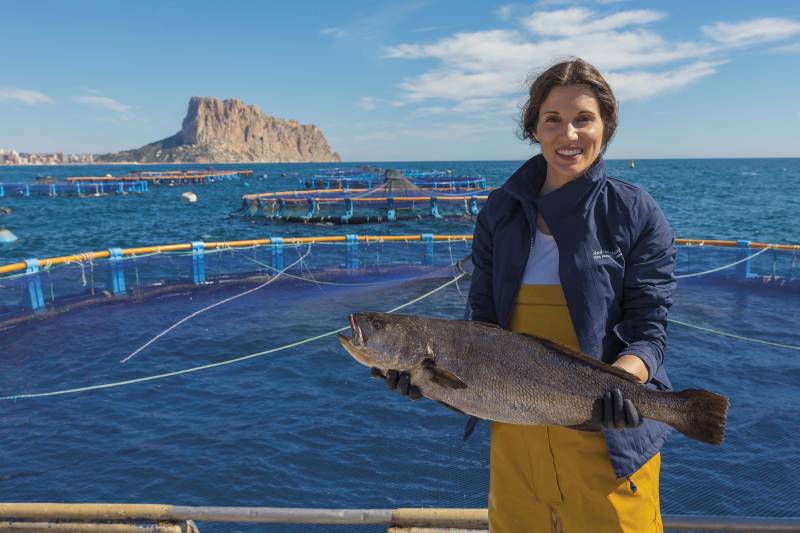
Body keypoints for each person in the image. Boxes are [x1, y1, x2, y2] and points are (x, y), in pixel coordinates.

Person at [377, 57, 676, 532]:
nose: (569, 135)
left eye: (584, 119)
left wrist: (621, 385)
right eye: (552, 120)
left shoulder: (635, 212)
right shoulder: (499, 212)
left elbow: (649, 332)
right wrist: (426, 380)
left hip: (608, 442)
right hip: (515, 440)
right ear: (533, 128)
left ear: (606, 126)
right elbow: (481, 331)